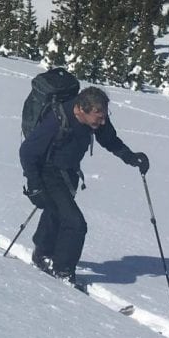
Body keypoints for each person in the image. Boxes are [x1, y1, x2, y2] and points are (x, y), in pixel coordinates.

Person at [19, 86, 149, 283]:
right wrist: (34, 185)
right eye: (99, 117)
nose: (103, 121)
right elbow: (27, 151)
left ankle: (42, 253)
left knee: (56, 212)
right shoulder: (56, 120)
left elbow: (109, 139)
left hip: (69, 172)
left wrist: (130, 157)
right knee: (75, 223)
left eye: (105, 116)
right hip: (48, 173)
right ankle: (62, 270)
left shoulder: (95, 116)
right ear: (80, 109)